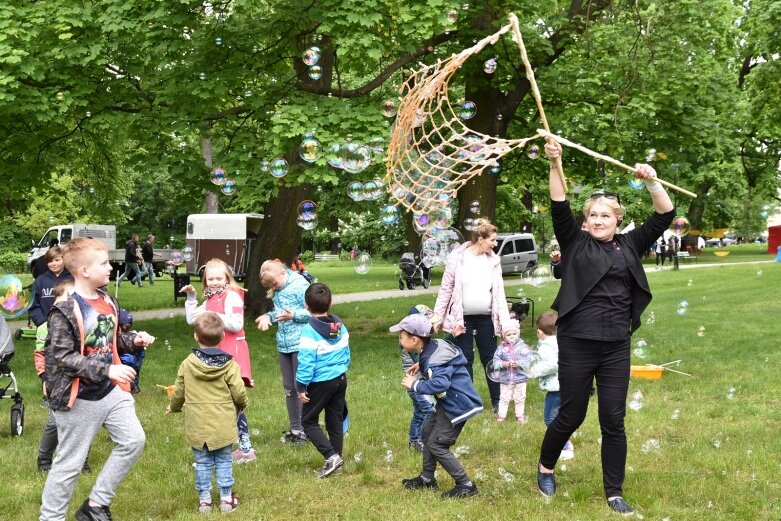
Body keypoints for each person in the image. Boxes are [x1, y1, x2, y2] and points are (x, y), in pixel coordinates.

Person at [536, 140, 675, 516]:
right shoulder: (576, 243)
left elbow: (665, 213)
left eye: (606, 216)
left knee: (613, 419)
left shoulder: (630, 244)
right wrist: (554, 162)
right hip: (579, 342)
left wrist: (651, 181)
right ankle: (546, 466)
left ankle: (613, 491)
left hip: (616, 345)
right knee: (572, 413)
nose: (598, 220)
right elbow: (559, 205)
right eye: (593, 215)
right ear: (587, 220)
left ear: (618, 220)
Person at [39, 238, 145, 521]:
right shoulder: (65, 309)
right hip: (78, 398)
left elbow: (107, 343)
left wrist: (132, 340)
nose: (111, 267)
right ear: (84, 270)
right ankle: (51, 518)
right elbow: (63, 357)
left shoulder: (108, 301)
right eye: (104, 263)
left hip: (111, 392)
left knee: (133, 441)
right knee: (69, 465)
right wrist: (107, 370)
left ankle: (95, 505)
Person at [394, 313, 483, 499]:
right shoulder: (431, 350)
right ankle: (427, 478)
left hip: (457, 405)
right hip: (449, 402)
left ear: (414, 339)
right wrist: (421, 363)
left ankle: (465, 484)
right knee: (427, 432)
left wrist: (415, 385)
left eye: (401, 336)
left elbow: (441, 384)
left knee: (437, 444)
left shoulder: (434, 361)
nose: (399, 339)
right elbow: (440, 360)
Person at [166, 311, 247, 514]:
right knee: (223, 460)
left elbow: (178, 392)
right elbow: (238, 391)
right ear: (222, 337)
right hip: (223, 425)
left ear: (196, 337)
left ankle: (205, 501)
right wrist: (242, 403)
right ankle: (227, 499)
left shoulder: (187, 364)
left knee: (202, 462)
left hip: (197, 426)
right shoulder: (230, 365)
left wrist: (173, 407)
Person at [432, 218, 514, 412]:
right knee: (465, 359)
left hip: (486, 319)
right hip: (462, 320)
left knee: (491, 359)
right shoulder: (457, 257)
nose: (495, 244)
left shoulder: (493, 260)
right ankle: (468, 402)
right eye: (492, 240)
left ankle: (497, 402)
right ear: (480, 238)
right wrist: (437, 317)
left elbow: (499, 295)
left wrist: (506, 324)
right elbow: (446, 289)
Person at [180, 258, 256, 463]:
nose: (214, 282)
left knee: (233, 402)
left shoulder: (232, 296)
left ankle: (246, 449)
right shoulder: (210, 299)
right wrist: (191, 298)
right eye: (210, 278)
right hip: (218, 355)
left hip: (233, 353)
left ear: (227, 278)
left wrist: (213, 314)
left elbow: (236, 323)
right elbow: (192, 319)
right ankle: (231, 446)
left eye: (218, 278)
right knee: (221, 401)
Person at [34, 279, 93, 474]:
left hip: (81, 380)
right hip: (57, 383)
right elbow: (41, 354)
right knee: (54, 422)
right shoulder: (47, 326)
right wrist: (44, 378)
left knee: (85, 421)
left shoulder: (84, 324)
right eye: (64, 298)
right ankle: (44, 458)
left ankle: (82, 460)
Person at [296, 283, 351, 478]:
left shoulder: (309, 331)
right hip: (340, 379)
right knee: (334, 421)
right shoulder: (339, 326)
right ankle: (337, 461)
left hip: (321, 383)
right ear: (331, 303)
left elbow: (306, 362)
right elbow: (346, 352)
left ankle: (331, 456)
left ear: (306, 306)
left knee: (308, 421)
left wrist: (301, 386)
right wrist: (342, 369)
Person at [256, 259, 311, 445]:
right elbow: (278, 312)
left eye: (274, 283)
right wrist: (267, 315)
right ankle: (295, 430)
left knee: (300, 388)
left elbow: (313, 312)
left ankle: (306, 428)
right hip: (284, 345)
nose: (274, 287)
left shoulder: (301, 285)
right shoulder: (278, 288)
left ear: (282, 273)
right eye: (270, 286)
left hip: (300, 343)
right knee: (289, 388)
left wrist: (293, 315)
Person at [526, 310, 574, 461]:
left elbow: (551, 364)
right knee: (560, 416)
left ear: (539, 332)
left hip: (556, 389)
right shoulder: (561, 340)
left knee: (550, 419)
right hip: (567, 385)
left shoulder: (547, 346)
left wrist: (532, 371)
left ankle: (565, 446)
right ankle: (565, 441)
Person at [400, 304, 436, 451]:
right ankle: (425, 441)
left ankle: (414, 441)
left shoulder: (415, 341)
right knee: (430, 412)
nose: (432, 327)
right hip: (417, 386)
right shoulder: (410, 346)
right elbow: (430, 355)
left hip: (418, 385)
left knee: (419, 413)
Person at [490, 319, 532, 423]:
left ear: (518, 333)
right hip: (505, 378)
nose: (512, 336)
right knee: (504, 398)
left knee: (520, 398)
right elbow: (495, 361)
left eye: (514, 333)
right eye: (508, 335)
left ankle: (520, 416)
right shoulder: (501, 348)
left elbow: (528, 361)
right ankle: (501, 416)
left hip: (520, 378)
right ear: (504, 336)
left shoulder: (523, 347)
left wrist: (519, 363)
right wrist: (504, 364)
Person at [29, 246, 73, 327]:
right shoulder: (40, 281)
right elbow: (33, 305)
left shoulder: (73, 279)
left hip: (70, 325)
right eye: (50, 261)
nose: (53, 263)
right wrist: (42, 323)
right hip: (47, 325)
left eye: (57, 260)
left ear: (64, 260)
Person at [117, 309, 156, 394]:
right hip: (133, 378)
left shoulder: (121, 344)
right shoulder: (135, 340)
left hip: (122, 382)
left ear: (118, 327)